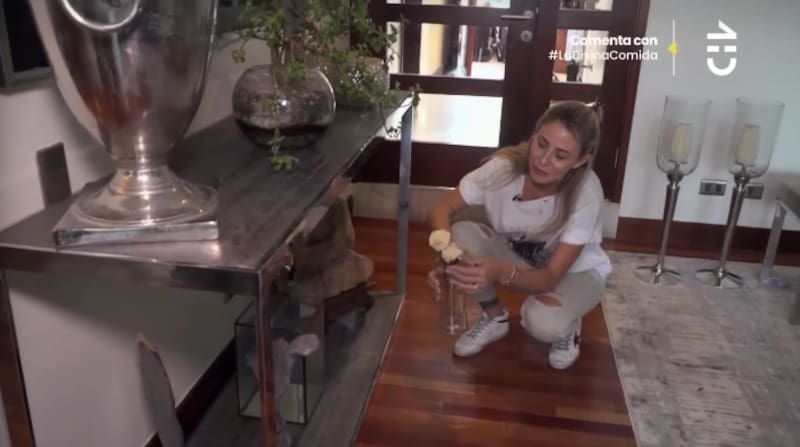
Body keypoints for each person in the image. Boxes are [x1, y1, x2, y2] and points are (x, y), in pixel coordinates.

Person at [426, 100, 611, 370]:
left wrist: (500, 270)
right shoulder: (502, 168)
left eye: (560, 156)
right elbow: (442, 208)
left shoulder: (586, 194)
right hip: (523, 260)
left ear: (581, 160)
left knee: (543, 322)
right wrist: (445, 257)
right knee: (461, 233)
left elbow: (549, 277)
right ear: (533, 135)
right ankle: (494, 316)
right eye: (542, 144)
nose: (543, 160)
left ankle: (567, 326)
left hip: (573, 274)